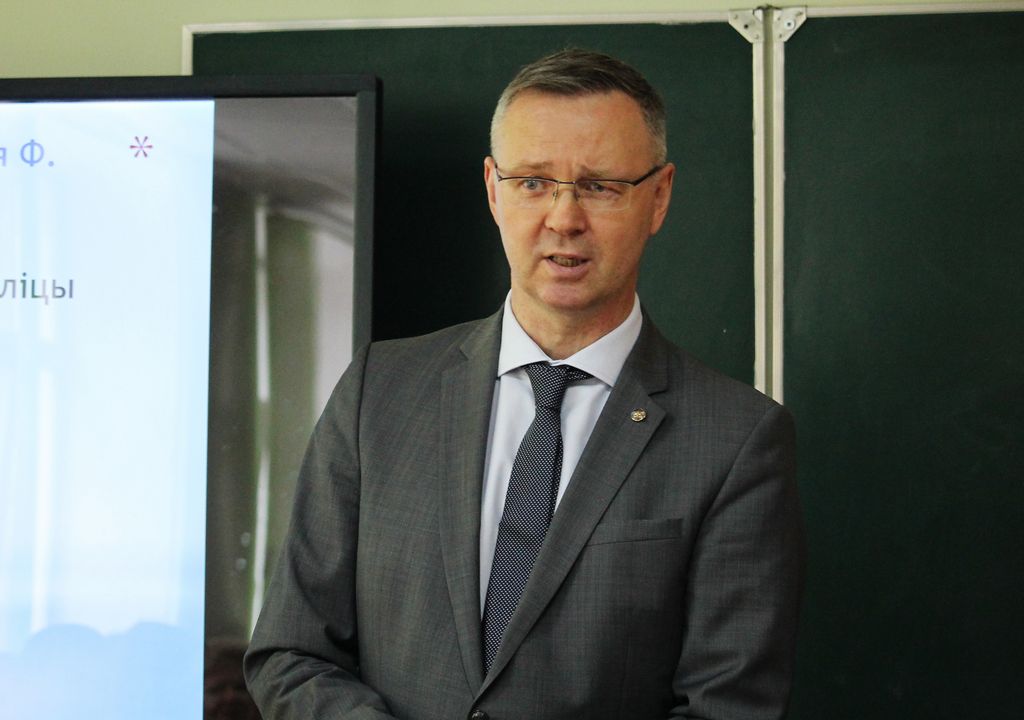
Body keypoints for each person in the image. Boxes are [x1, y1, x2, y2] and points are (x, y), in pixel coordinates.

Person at [244, 49, 804, 720]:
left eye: (600, 186)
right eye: (534, 182)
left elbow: (727, 710)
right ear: (493, 189)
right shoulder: (377, 393)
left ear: (658, 197)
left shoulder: (736, 441)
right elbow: (291, 653)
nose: (564, 218)